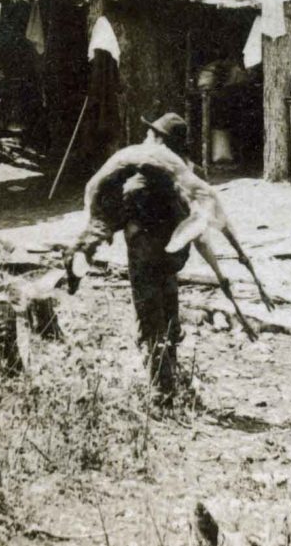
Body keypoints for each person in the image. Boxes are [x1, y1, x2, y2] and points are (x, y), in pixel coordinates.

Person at [66, 113, 193, 401]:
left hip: (147, 252)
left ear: (160, 140)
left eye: (152, 133)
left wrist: (127, 221)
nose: (146, 137)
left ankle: (161, 388)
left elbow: (128, 195)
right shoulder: (183, 170)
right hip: (172, 255)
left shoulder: (145, 169)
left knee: (150, 315)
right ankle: (169, 373)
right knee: (168, 308)